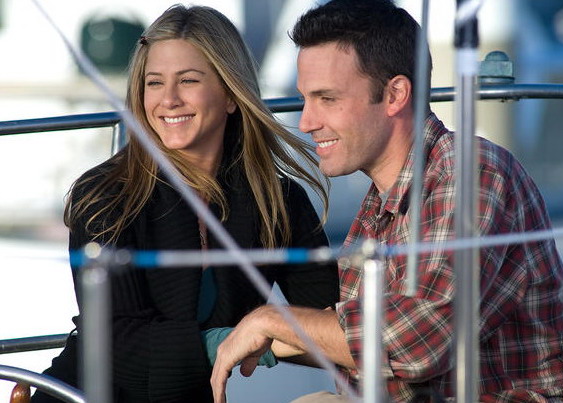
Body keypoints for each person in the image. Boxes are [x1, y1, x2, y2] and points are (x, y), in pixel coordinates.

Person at [210, 0, 563, 402]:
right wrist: (245, 337)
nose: (306, 122)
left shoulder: (471, 172)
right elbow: (365, 342)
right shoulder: (378, 206)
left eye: (327, 99)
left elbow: (419, 344)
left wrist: (272, 321)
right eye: (305, 99)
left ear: (395, 94)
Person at [32, 4, 339, 402]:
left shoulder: (275, 200)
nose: (169, 99)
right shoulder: (105, 195)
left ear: (231, 95)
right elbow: (116, 343)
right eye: (154, 83)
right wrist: (249, 337)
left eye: (188, 80)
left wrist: (268, 332)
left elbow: (331, 320)